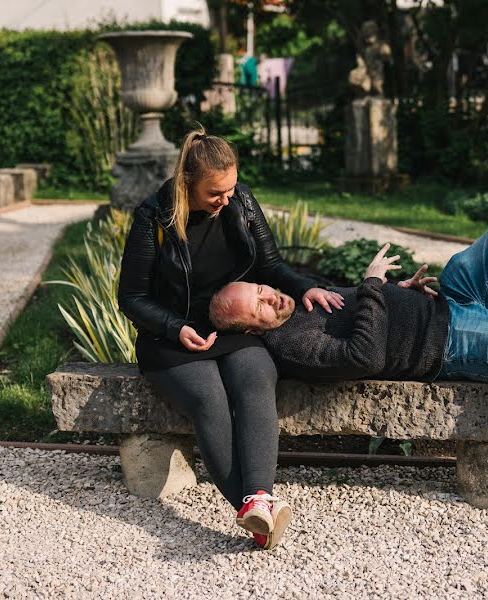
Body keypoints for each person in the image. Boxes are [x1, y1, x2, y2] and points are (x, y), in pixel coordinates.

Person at [209, 219, 488, 537]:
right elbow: (364, 355)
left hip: (448, 300)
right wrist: (373, 284)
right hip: (446, 340)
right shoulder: (289, 344)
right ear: (251, 330)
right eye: (259, 307)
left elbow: (357, 311)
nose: (270, 296)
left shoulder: (297, 302)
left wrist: (400, 291)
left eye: (261, 289)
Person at [117, 127, 345, 550]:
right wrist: (174, 327)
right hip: (169, 335)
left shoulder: (240, 202)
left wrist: (303, 286)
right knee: (210, 399)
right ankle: (256, 507)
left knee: (256, 376)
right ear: (187, 185)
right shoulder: (154, 219)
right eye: (214, 193)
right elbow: (130, 298)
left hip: (233, 328)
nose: (225, 200)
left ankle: (258, 500)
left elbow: (271, 264)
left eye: (231, 188)